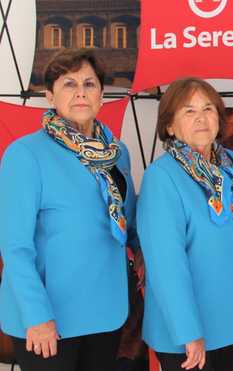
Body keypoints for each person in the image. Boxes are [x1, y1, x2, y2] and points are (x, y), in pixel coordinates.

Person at [0, 48, 137, 371]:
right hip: (50, 317)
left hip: (105, 311)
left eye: (89, 84)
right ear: (50, 96)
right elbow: (15, 247)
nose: (80, 92)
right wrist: (37, 315)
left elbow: (127, 226)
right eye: (68, 84)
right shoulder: (25, 154)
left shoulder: (118, 153)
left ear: (101, 95)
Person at [137, 78, 233, 371]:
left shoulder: (230, 164)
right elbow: (166, 264)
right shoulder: (161, 177)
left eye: (208, 108)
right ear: (169, 126)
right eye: (188, 111)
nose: (201, 118)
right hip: (188, 331)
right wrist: (188, 332)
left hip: (227, 319)